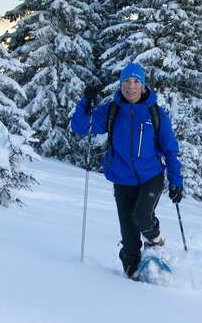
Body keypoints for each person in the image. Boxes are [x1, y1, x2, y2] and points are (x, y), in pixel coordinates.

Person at [70, 62, 184, 279]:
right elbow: (80, 127)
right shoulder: (112, 111)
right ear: (120, 84)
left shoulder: (155, 114)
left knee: (142, 216)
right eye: (126, 82)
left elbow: (170, 150)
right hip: (122, 180)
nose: (131, 87)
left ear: (143, 86)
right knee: (129, 239)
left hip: (151, 176)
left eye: (135, 82)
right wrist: (86, 101)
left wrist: (176, 181)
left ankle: (155, 240)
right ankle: (131, 276)